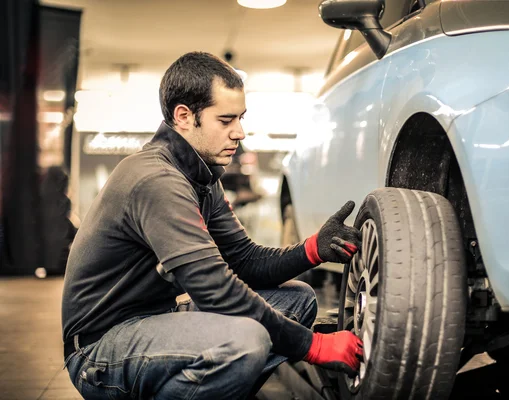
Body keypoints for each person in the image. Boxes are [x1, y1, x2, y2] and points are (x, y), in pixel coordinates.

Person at [61, 51, 363, 400]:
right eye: (225, 120)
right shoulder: (156, 179)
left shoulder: (202, 179)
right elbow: (214, 289)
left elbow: (245, 261)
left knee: (297, 300)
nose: (240, 132)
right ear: (185, 117)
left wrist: (312, 249)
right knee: (243, 343)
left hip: (156, 319)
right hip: (100, 349)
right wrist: (313, 346)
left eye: (241, 118)